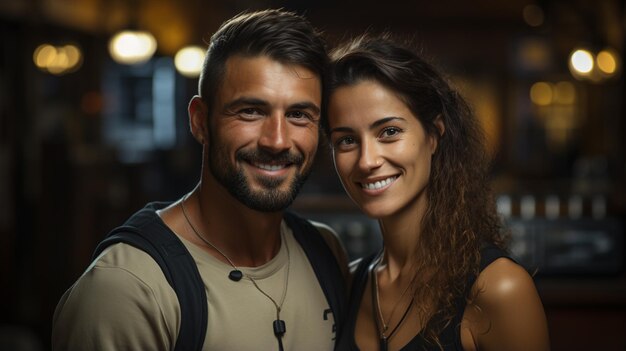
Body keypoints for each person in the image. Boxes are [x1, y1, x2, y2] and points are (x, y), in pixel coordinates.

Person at [52, 9, 348, 351]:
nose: (277, 141)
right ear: (200, 122)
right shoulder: (126, 291)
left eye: (299, 115)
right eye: (251, 111)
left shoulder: (325, 254)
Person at [323, 35, 550, 351]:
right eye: (346, 140)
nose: (367, 160)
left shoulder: (498, 289)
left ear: (434, 135)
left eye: (389, 132)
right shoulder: (349, 284)